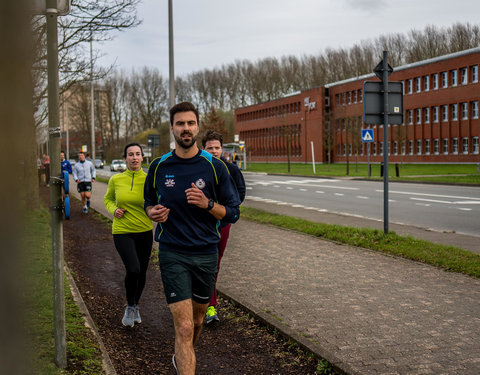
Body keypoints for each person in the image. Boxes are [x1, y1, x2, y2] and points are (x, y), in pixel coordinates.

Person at [144, 102, 240, 375]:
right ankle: (184, 358)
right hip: (172, 252)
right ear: (172, 128)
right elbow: (148, 202)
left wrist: (208, 204)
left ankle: (183, 355)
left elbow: (233, 212)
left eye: (190, 123)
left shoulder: (215, 167)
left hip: (206, 253)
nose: (185, 128)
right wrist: (153, 212)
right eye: (180, 123)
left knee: (197, 321)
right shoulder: (159, 166)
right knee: (184, 327)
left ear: (197, 127)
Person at [104, 143, 153, 327]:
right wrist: (113, 209)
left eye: (137, 154)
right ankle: (130, 306)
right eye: (130, 154)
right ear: (125, 158)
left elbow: (156, 201)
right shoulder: (116, 180)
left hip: (145, 231)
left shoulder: (149, 180)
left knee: (142, 272)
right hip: (122, 231)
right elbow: (107, 199)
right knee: (133, 269)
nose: (134, 157)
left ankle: (135, 306)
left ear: (142, 158)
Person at [201, 130, 246, 324]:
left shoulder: (231, 170)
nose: (214, 151)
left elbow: (240, 194)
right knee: (200, 262)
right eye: (210, 148)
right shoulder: (199, 169)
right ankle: (200, 301)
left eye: (217, 148)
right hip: (200, 225)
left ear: (222, 148)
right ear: (204, 149)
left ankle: (210, 306)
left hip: (222, 225)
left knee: (214, 263)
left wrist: (224, 210)